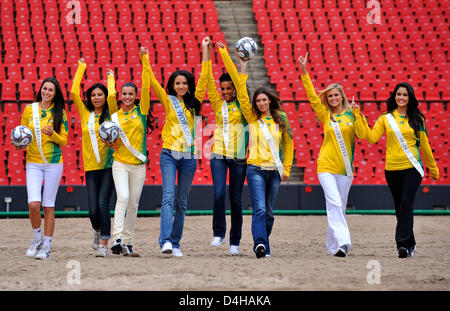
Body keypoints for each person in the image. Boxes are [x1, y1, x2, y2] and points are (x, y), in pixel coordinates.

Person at [219, 43, 294, 258]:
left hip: (276, 171)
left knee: (269, 213)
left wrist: (286, 167)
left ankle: (264, 242)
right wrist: (243, 67)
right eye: (258, 100)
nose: (261, 103)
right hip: (255, 169)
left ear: (269, 100)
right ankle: (260, 245)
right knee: (259, 209)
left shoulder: (282, 119)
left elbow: (289, 145)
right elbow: (242, 93)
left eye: (264, 99)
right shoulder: (252, 117)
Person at [360, 82, 439, 258]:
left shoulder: (418, 119)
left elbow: (425, 146)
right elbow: (372, 138)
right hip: (392, 169)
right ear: (394, 97)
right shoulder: (385, 118)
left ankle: (402, 246)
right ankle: (410, 242)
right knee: (400, 207)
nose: (401, 97)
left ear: (409, 98)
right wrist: (360, 117)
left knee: (405, 203)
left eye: (404, 94)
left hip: (412, 168)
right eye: (398, 94)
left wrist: (433, 168)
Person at [298, 52, 366, 258]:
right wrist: (304, 72)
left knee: (339, 208)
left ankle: (332, 244)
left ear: (342, 96)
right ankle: (345, 243)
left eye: (336, 95)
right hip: (325, 166)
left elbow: (364, 135)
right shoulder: (325, 114)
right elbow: (311, 94)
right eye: (330, 96)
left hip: (345, 170)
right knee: (334, 203)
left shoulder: (352, 114)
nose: (333, 98)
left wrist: (358, 114)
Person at [148, 37, 208, 257]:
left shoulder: (195, 101)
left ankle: (176, 242)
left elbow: (205, 78)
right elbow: (153, 83)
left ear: (189, 85)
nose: (181, 86)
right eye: (177, 83)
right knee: (168, 197)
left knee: (182, 202)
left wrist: (204, 50)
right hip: (169, 155)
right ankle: (165, 241)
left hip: (189, 157)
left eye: (184, 83)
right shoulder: (168, 100)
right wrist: (145, 60)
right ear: (172, 86)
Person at [106, 46, 154, 257]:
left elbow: (146, 86)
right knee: (123, 197)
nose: (127, 97)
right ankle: (116, 238)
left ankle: (128, 241)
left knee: (133, 204)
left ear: (135, 96)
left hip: (138, 165)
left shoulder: (142, 111)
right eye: (123, 94)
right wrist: (110, 79)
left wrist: (144, 58)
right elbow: (109, 95)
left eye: (130, 94)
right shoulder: (115, 115)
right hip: (120, 163)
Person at [203, 38, 248, 255]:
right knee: (219, 193)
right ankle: (218, 233)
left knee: (236, 199)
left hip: (239, 156)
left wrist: (224, 54)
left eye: (229, 88)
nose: (225, 91)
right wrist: (206, 51)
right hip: (219, 154)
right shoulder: (217, 103)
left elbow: (240, 82)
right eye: (223, 88)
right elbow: (208, 80)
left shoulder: (243, 103)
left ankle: (235, 241)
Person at [16, 77, 68, 260]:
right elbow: (22, 133)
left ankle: (46, 245)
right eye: (44, 89)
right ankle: (37, 238)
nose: (47, 92)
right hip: (33, 162)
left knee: (48, 206)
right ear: (41, 90)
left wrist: (52, 134)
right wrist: (19, 144)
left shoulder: (60, 112)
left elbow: (64, 140)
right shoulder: (29, 109)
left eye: (51, 90)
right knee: (33, 204)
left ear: (55, 94)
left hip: (53, 163)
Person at [70, 58, 116, 257]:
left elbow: (113, 95)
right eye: (93, 95)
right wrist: (81, 67)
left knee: (103, 204)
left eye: (100, 94)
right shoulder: (85, 113)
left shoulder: (111, 113)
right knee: (92, 210)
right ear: (89, 97)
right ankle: (97, 231)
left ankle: (104, 243)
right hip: (90, 167)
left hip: (108, 166)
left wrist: (110, 78)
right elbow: (73, 92)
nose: (97, 97)